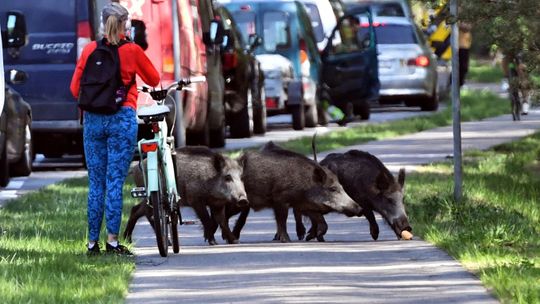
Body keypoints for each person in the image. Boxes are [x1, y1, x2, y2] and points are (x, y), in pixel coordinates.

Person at [70, 2, 160, 255]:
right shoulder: (132, 50)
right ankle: (112, 241)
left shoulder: (89, 50)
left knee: (96, 182)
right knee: (114, 181)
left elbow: (75, 89)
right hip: (122, 119)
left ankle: (91, 244)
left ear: (102, 23)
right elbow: (153, 79)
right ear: (124, 25)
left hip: (93, 121)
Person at [458, 22, 472, 87]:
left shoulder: (467, 31)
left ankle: (461, 82)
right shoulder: (459, 27)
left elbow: (469, 27)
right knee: (461, 67)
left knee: (464, 68)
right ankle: (458, 83)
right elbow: (464, 27)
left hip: (466, 49)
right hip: (460, 49)